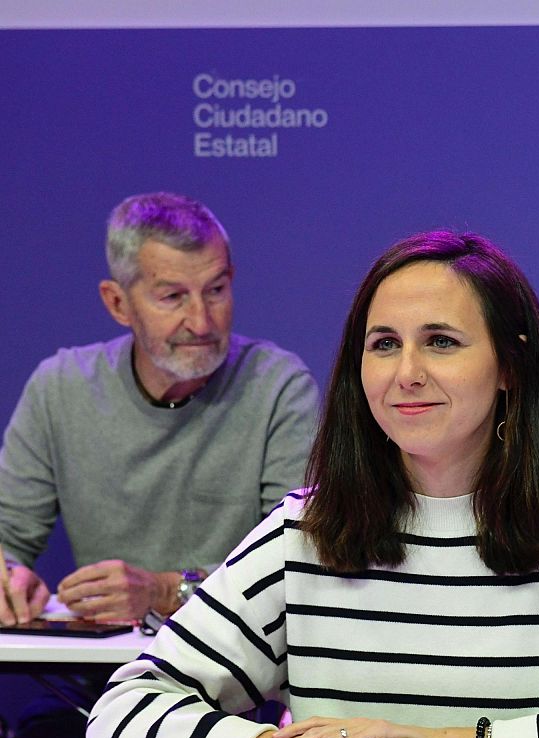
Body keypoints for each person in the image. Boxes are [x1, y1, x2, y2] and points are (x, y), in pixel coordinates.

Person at [87, 231, 539, 738]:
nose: (406, 373)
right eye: (384, 344)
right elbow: (124, 711)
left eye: (440, 342)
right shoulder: (301, 533)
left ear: (510, 366)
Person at [0, 192, 319, 627]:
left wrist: (165, 591)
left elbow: (295, 562)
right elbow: (7, 535)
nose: (202, 322)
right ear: (118, 303)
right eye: (172, 297)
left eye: (216, 290)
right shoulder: (60, 387)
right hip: (94, 678)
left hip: (240, 678)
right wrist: (10, 578)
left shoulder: (278, 387)